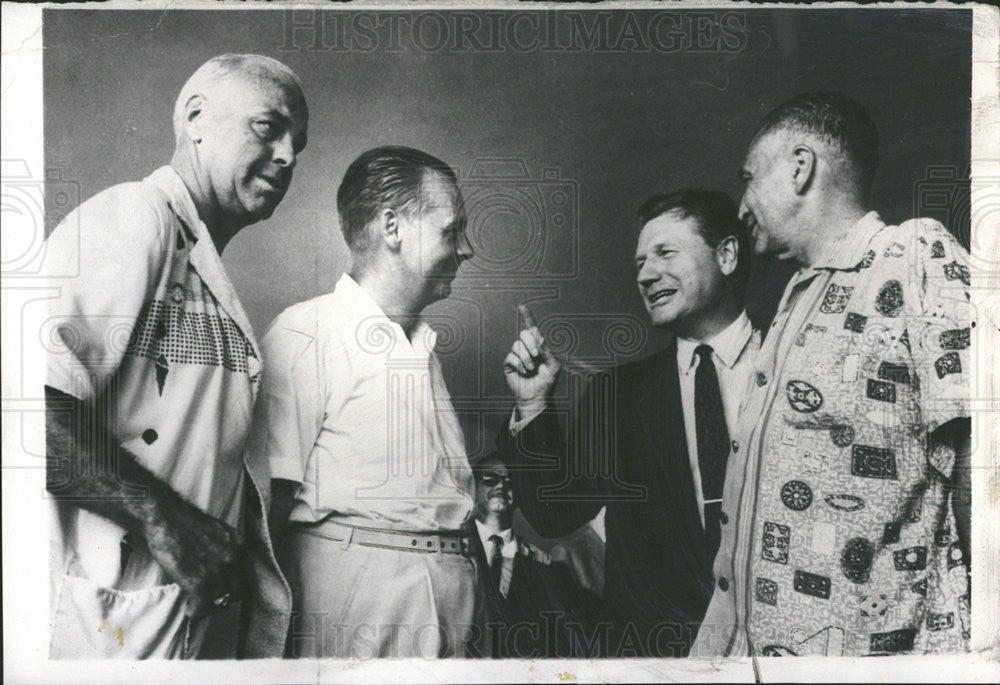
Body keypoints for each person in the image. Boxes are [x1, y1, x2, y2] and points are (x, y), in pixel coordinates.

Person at [44, 54, 309, 658]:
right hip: (104, 627)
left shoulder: (201, 265)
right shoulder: (135, 216)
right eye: (269, 128)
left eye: (300, 144)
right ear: (194, 118)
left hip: (168, 620)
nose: (290, 156)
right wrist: (161, 516)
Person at [693, 91, 972, 657]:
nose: (741, 206)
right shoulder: (793, 303)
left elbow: (984, 454)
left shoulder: (914, 255)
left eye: (750, 178)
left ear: (800, 168)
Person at [499, 189, 756, 657]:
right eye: (639, 263)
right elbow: (554, 514)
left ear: (727, 254)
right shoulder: (617, 395)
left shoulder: (793, 368)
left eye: (665, 253)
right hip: (655, 660)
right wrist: (534, 406)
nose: (646, 275)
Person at [252, 146, 479, 658]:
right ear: (392, 227)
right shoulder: (304, 332)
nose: (465, 249)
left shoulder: (422, 345)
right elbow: (268, 506)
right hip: (361, 606)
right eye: (451, 229)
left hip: (454, 598)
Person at [464, 454, 600, 658]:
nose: (501, 485)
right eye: (490, 478)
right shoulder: (452, 550)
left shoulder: (546, 563)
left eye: (510, 481)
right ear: (472, 489)